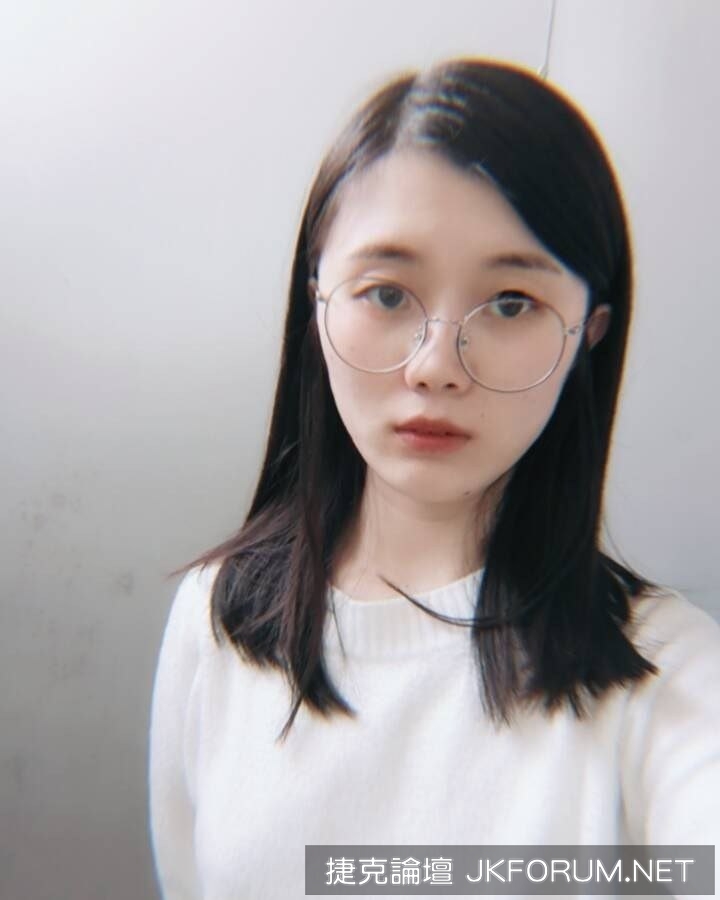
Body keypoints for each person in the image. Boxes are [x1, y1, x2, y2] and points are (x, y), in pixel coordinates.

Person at [148, 59, 720, 899]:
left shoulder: (662, 674)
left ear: (589, 333)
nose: (436, 365)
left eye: (512, 303)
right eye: (386, 294)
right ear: (317, 302)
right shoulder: (219, 616)